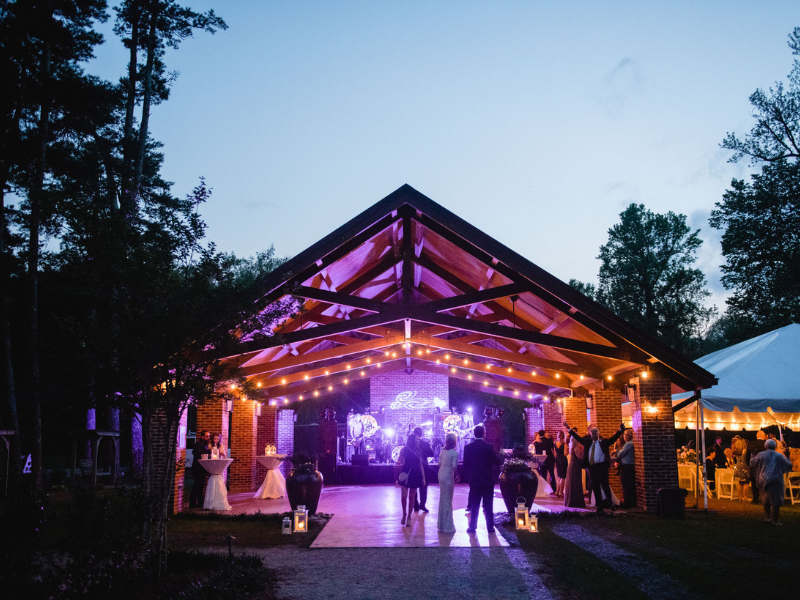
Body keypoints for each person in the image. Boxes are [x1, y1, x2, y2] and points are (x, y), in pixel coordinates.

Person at [565, 420, 625, 514]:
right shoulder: (587, 442)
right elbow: (578, 438)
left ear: (598, 434)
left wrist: (620, 430)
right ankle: (599, 507)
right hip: (592, 468)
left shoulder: (603, 442)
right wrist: (569, 429)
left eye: (596, 433)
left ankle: (610, 503)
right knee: (595, 488)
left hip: (602, 468)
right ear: (590, 434)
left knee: (605, 487)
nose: (594, 434)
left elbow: (613, 439)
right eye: (592, 433)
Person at [463, 425, 503, 533]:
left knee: (475, 504)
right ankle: (490, 527)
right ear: (484, 434)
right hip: (487, 479)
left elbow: (465, 464)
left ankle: (472, 527)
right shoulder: (489, 446)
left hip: (475, 479)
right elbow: (497, 461)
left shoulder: (468, 447)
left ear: (474, 434)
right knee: (488, 504)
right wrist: (502, 455)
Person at [750, 438, 793, 525]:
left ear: (765, 446)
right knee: (776, 500)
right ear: (775, 446)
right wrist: (787, 456)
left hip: (764, 479)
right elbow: (789, 465)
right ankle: (775, 520)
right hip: (776, 480)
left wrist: (752, 454)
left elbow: (752, 463)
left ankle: (768, 517)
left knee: (765, 499)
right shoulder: (779, 456)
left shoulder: (760, 455)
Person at [398, 433, 426, 527]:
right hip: (406, 473)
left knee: (412, 496)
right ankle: (404, 514)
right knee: (404, 496)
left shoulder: (419, 450)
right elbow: (401, 462)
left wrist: (423, 477)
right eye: (417, 439)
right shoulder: (404, 450)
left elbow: (420, 464)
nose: (418, 440)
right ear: (412, 440)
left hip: (415, 473)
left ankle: (409, 516)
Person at [437, 433, 459, 533]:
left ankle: (441, 524)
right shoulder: (454, 453)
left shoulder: (443, 451)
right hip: (448, 475)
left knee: (443, 498)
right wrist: (457, 475)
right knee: (448, 499)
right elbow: (454, 466)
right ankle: (448, 526)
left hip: (441, 474)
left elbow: (439, 463)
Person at [413, 426, 435, 512]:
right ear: (421, 434)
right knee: (424, 486)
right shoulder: (425, 444)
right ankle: (422, 504)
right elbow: (432, 454)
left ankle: (415, 505)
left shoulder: (410, 444)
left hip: (414, 467)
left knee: (414, 486)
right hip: (424, 466)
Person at [189, 430, 211, 508]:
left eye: (208, 436)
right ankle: (193, 503)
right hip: (198, 468)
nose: (208, 438)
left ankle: (199, 502)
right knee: (197, 485)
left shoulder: (204, 444)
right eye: (206, 436)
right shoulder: (199, 444)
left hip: (201, 468)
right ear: (202, 436)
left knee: (200, 485)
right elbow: (201, 454)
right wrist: (208, 451)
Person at [563, 434, 586, 509]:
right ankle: (576, 501)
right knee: (575, 483)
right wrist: (583, 452)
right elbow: (580, 457)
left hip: (571, 465)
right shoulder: (576, 448)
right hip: (575, 466)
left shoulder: (571, 447)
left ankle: (570, 501)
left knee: (571, 483)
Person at [616, 429, 636, 508]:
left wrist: (616, 450)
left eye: (625, 435)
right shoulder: (630, 443)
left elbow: (620, 454)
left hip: (627, 466)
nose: (624, 436)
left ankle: (627, 503)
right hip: (629, 466)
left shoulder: (628, 444)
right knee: (628, 485)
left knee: (626, 485)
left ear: (628, 436)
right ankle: (629, 502)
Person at [534, 429, 557, 494]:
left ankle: (545, 490)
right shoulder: (549, 441)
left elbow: (537, 452)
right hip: (550, 459)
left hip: (542, 460)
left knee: (543, 476)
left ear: (539, 434)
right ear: (544, 434)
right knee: (552, 475)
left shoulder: (537, 442)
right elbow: (553, 449)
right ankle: (554, 489)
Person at [749, 430, 767, 503]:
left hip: (754, 466)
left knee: (754, 482)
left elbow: (748, 455)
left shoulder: (751, 444)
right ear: (764, 436)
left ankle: (755, 499)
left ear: (756, 435)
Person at [732, 436, 750, 503]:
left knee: (739, 482)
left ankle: (739, 497)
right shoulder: (745, 451)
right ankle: (745, 497)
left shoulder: (736, 451)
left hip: (738, 467)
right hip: (745, 466)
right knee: (746, 482)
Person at [554, 431, 568, 498]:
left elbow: (555, 454)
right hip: (563, 460)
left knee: (559, 477)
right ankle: (561, 492)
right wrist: (568, 449)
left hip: (557, 460)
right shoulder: (564, 444)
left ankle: (557, 491)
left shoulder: (555, 443)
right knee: (563, 477)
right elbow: (565, 454)